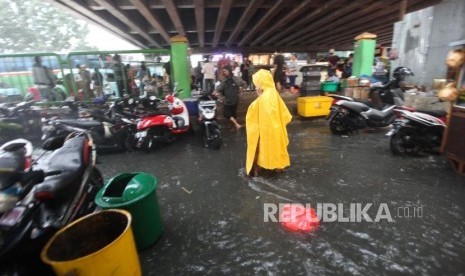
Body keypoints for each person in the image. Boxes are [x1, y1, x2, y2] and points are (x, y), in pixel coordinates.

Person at [245, 69, 292, 177]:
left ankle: (259, 167)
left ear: (261, 83)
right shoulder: (273, 92)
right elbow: (283, 112)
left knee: (264, 148)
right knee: (277, 147)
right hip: (277, 128)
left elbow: (255, 110)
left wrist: (259, 95)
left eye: (256, 84)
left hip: (267, 129)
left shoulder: (264, 97)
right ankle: (279, 166)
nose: (256, 86)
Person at [213, 66, 246, 131]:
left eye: (225, 71)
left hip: (233, 99)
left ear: (229, 71)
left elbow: (244, 84)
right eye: (223, 71)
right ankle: (235, 126)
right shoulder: (224, 81)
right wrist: (215, 92)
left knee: (227, 113)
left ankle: (235, 125)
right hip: (230, 99)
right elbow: (218, 89)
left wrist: (241, 89)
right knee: (231, 114)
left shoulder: (236, 79)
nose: (224, 72)